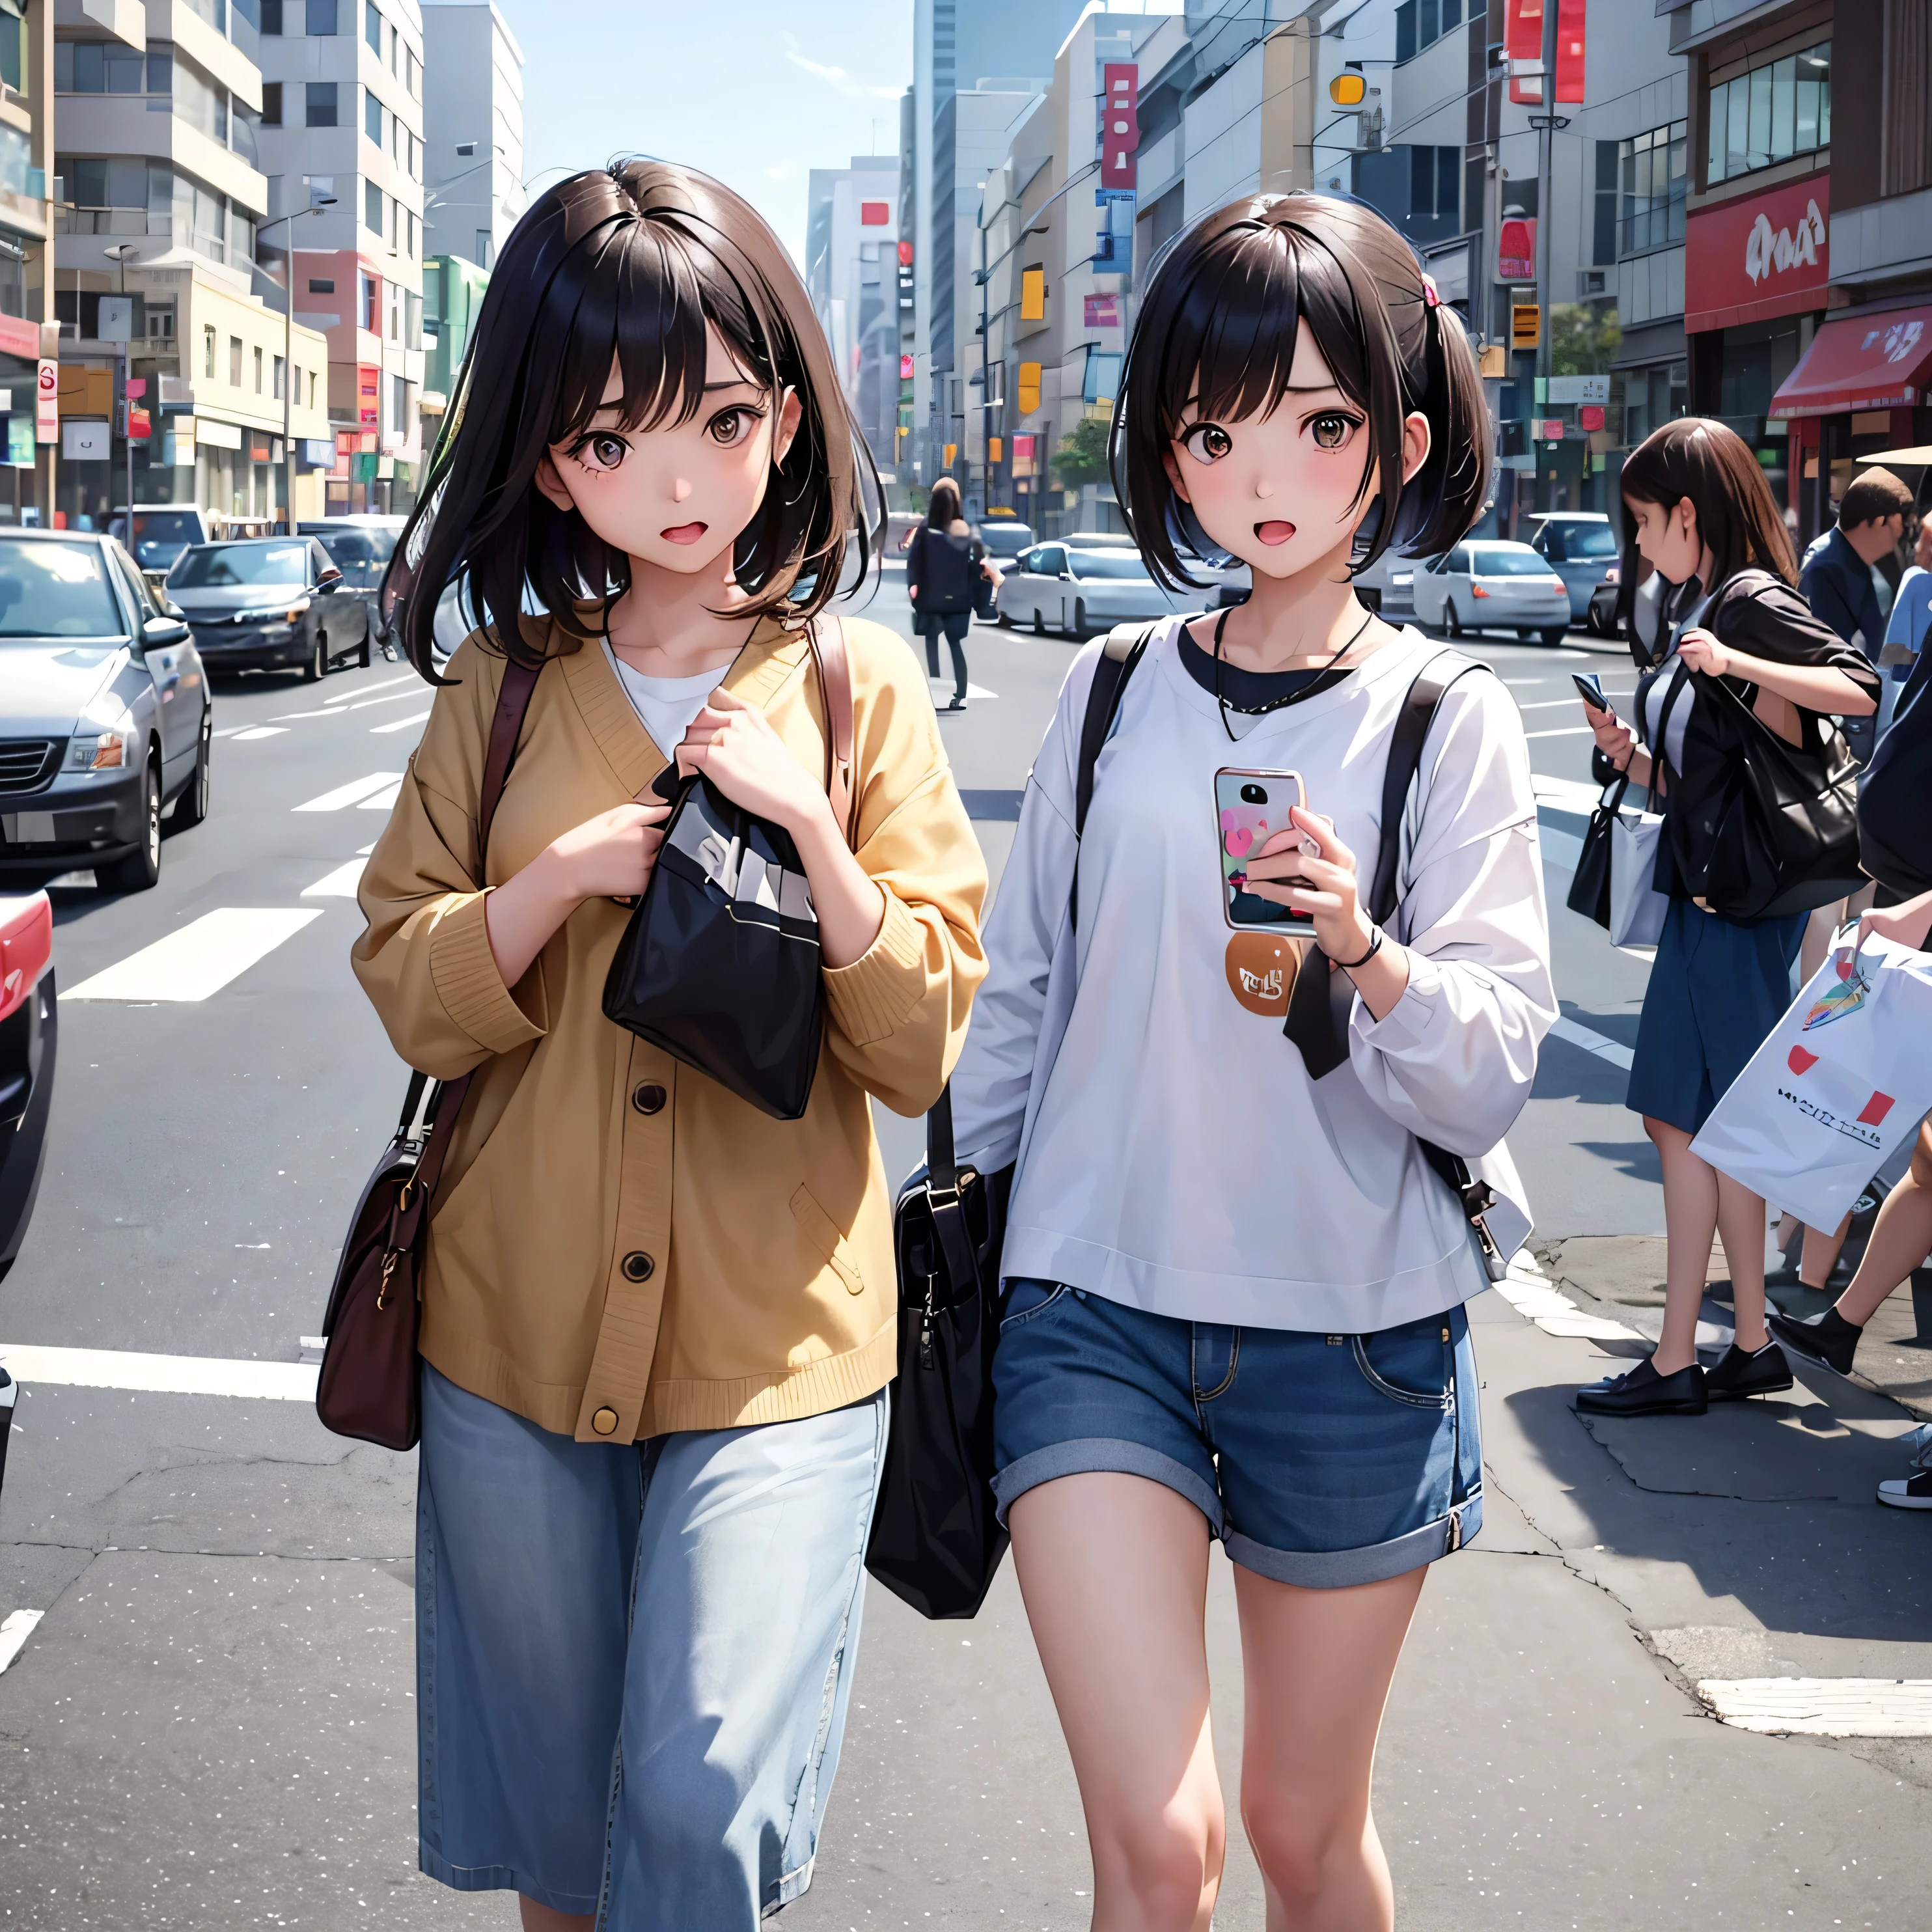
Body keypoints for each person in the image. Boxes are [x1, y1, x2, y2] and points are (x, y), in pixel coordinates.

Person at [353, 161, 987, 1932]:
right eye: (613, 440)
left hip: (776, 1349)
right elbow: (404, 976)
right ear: (555, 466)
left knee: (700, 1804)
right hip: (511, 1332)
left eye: (718, 421)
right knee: (567, 1850)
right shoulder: (505, 691)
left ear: (784, 417)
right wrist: (548, 883)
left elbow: (924, 1041)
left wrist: (819, 838)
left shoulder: (857, 689)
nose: (681, 482)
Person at [950, 192, 1554, 1931]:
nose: (1261, 474)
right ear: (1171, 451)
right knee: (1161, 1850)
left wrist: (1366, 951)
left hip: (1354, 1337)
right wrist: (953, 1243)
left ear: (1401, 445)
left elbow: (1490, 1070)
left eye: (1319, 424)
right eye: (1215, 432)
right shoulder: (1112, 689)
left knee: (1301, 1828)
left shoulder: (1446, 716)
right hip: (1091, 1311)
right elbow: (1019, 996)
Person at [1576, 419, 1881, 1420]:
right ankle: (1745, 1342)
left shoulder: (1744, 603)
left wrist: (1736, 662)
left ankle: (1682, 1357)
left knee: (1687, 1122)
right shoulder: (1703, 607)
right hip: (1712, 904)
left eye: (1641, 521)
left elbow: (1859, 686)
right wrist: (1631, 757)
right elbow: (1712, 780)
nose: (1636, 540)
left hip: (1732, 915)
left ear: (1687, 513)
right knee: (1707, 1125)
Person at [905, 476, 995, 711]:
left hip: (930, 600)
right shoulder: (964, 530)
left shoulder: (925, 529)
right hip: (959, 601)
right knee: (956, 646)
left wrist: (914, 589)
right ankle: (960, 694)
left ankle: (937, 692)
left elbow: (914, 563)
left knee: (932, 644)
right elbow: (977, 566)